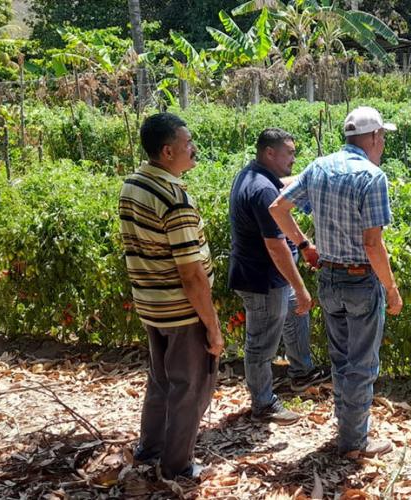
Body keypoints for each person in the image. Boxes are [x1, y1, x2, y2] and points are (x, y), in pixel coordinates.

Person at [269, 106, 403, 458]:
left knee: (341, 358)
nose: (383, 143)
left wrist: (304, 245)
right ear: (373, 137)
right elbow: (373, 244)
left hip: (328, 278)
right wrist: (391, 288)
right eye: (383, 137)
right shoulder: (372, 177)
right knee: (361, 363)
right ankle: (354, 441)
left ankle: (348, 427)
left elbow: (277, 208)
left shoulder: (320, 167)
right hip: (360, 280)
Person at [118, 112, 223, 480]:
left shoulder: (134, 183)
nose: (193, 148)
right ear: (167, 151)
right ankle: (177, 466)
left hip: (151, 304)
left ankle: (151, 448)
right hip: (182, 311)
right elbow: (191, 274)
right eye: (186, 143)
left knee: (162, 380)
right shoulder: (175, 199)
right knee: (190, 388)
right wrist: (212, 326)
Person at [228, 128, 331, 425]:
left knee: (296, 316)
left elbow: (284, 185)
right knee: (261, 344)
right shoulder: (262, 191)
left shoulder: (253, 176)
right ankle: (263, 404)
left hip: (270, 277)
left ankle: (301, 372)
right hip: (262, 279)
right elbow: (275, 247)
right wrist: (300, 288)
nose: (293, 159)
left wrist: (313, 177)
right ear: (270, 153)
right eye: (290, 153)